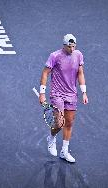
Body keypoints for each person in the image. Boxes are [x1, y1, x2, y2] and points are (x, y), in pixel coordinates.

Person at [38, 34, 88, 163]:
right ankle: (51, 138)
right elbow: (45, 73)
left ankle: (64, 151)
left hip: (71, 94)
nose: (72, 49)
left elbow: (80, 73)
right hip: (57, 94)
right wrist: (42, 93)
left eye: (73, 46)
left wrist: (84, 92)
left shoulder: (78, 55)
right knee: (59, 123)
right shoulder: (54, 56)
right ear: (64, 45)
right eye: (69, 46)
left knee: (69, 123)